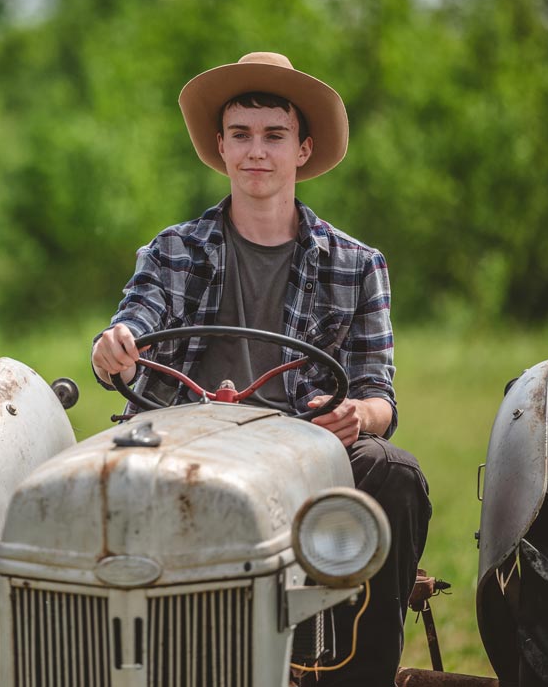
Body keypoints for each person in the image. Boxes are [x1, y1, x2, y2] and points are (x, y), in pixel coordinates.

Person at [91, 51, 432, 685]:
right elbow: (135, 319)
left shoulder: (357, 264)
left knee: (394, 472)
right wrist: (116, 344)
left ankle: (357, 672)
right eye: (241, 135)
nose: (256, 151)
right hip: (183, 440)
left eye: (274, 136)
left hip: (304, 450)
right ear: (220, 147)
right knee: (95, 477)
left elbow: (378, 395)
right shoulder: (174, 248)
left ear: (303, 149)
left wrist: (356, 415)